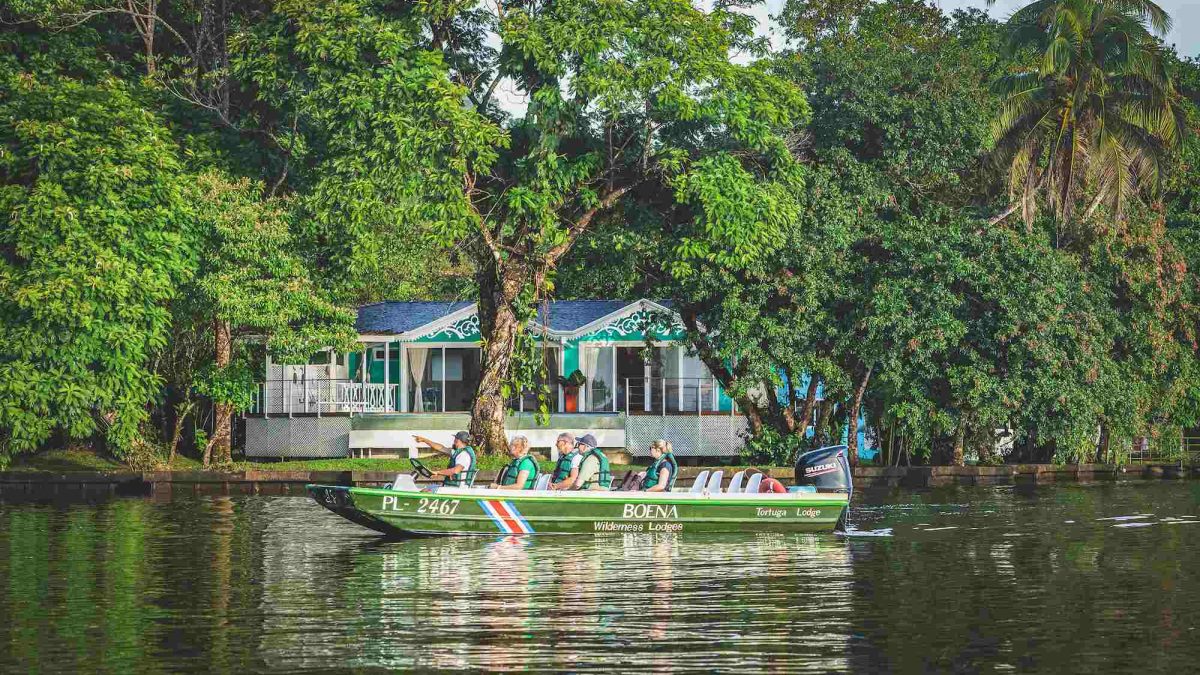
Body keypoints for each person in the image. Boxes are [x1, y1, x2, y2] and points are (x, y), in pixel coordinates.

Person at [412, 431, 477, 487]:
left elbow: (455, 470)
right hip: (452, 486)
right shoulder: (458, 452)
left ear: (458, 440)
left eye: (455, 439)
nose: (454, 441)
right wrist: (424, 440)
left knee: (426, 490)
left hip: (457, 488)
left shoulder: (463, 454)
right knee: (428, 488)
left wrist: (437, 472)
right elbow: (441, 448)